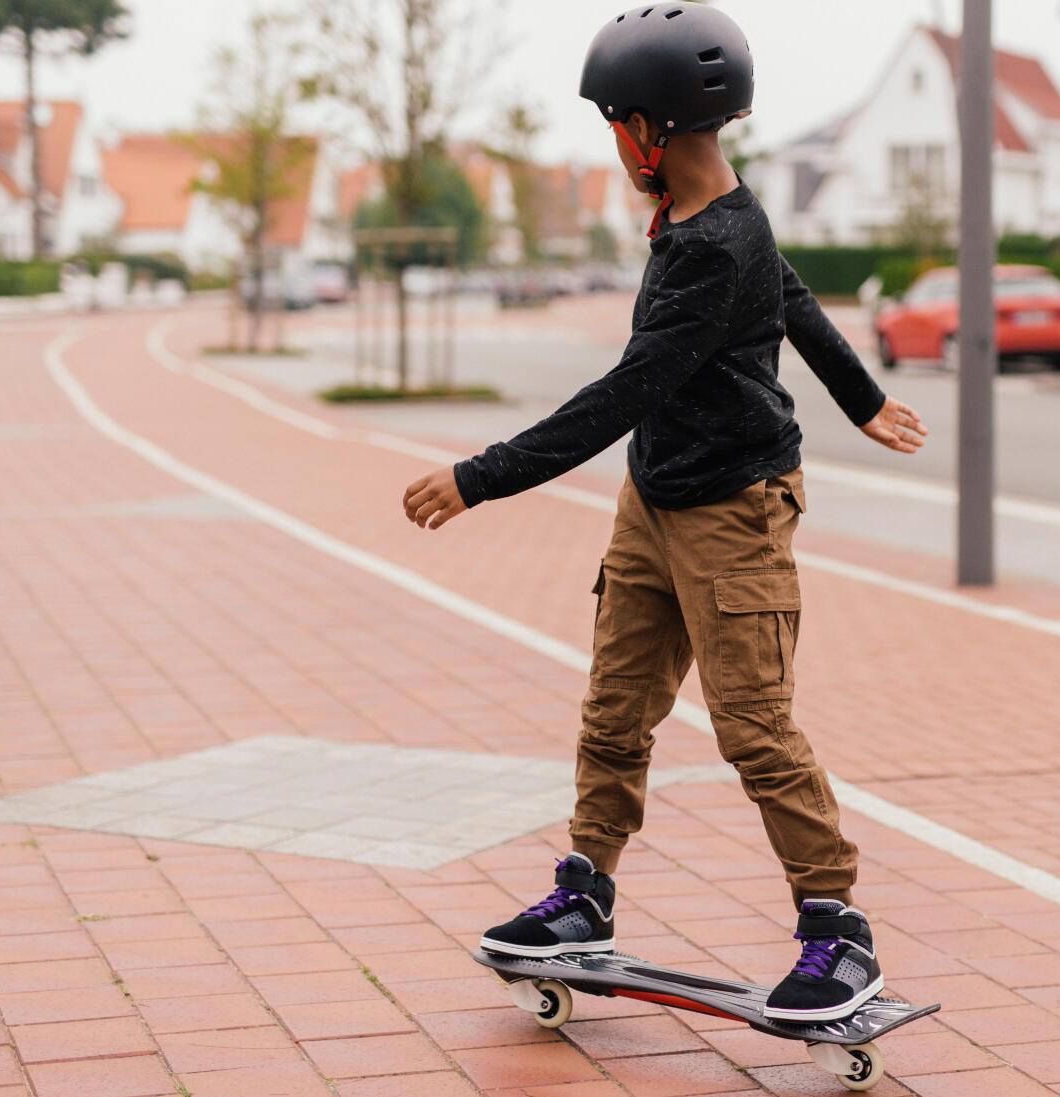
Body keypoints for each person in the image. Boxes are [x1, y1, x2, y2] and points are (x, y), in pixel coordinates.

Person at [401, 3, 927, 1022]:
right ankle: (583, 895)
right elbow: (802, 300)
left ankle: (838, 930)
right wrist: (863, 400)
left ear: (649, 128)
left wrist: (480, 476)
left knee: (754, 725)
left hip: (734, 507)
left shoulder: (716, 247)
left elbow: (623, 392)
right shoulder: (710, 220)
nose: (610, 140)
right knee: (616, 706)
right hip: (656, 498)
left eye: (612, 121)